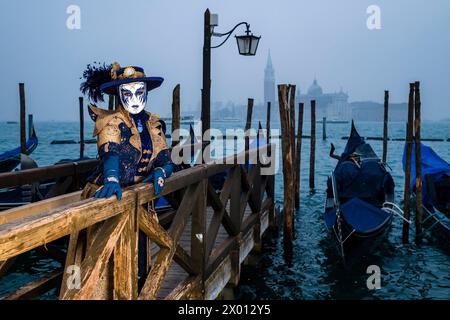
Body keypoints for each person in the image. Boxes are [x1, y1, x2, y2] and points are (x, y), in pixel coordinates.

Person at [79, 62, 176, 200]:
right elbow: (111, 152)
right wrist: (111, 179)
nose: (134, 99)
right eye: (127, 93)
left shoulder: (154, 124)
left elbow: (166, 162)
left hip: (139, 196)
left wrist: (161, 172)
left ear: (146, 92)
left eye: (139, 92)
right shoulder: (112, 122)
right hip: (108, 195)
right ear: (119, 95)